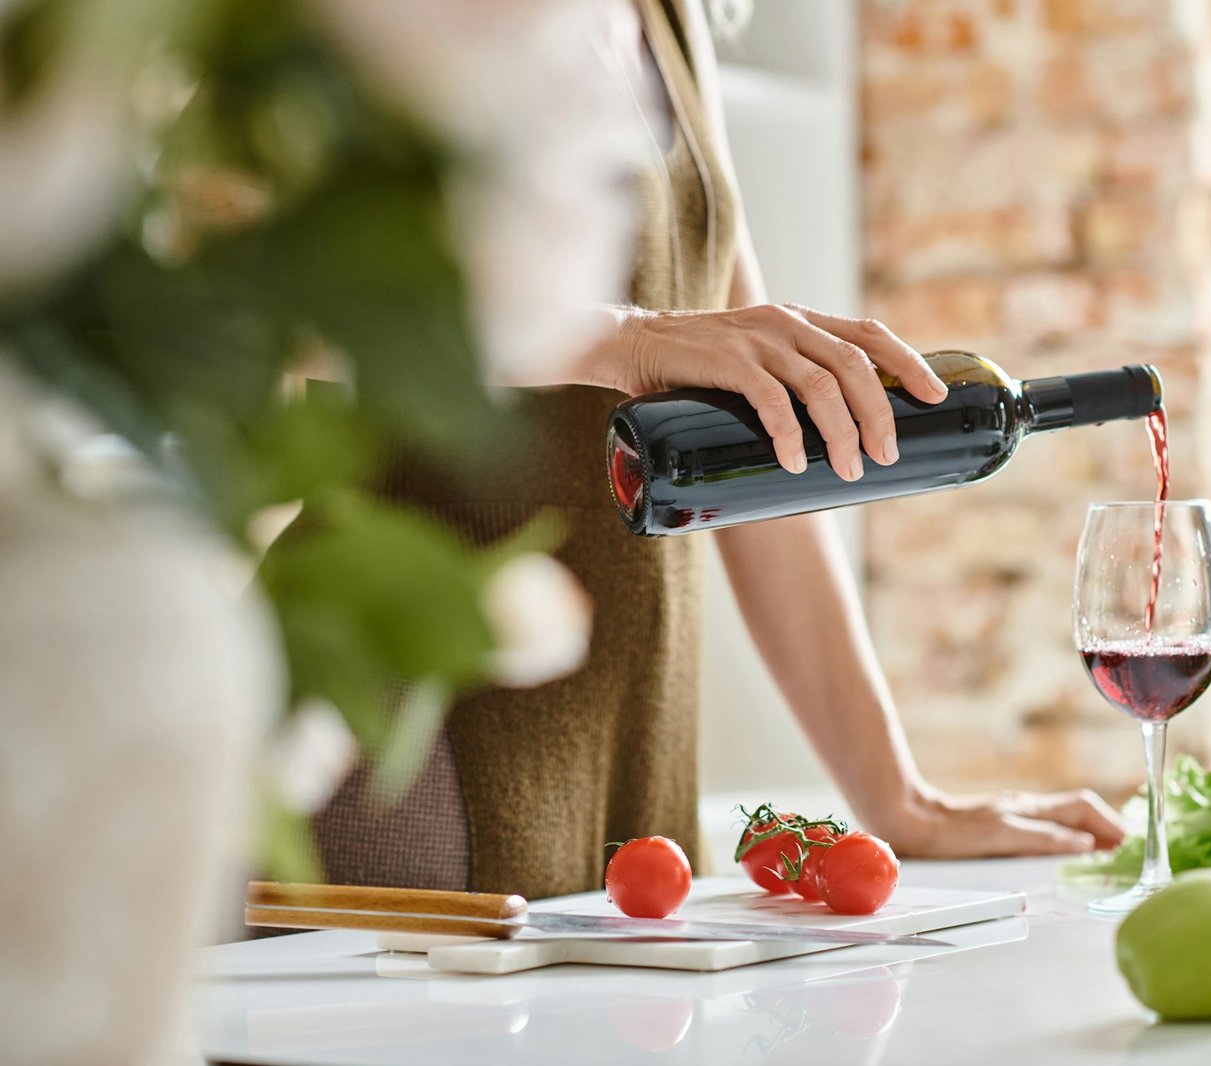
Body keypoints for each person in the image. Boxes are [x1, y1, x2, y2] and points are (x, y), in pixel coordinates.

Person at [310, 0, 1125, 898]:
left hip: (635, 728)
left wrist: (899, 799)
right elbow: (294, 313)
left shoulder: (671, 16)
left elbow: (768, 430)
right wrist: (627, 340)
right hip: (415, 735)